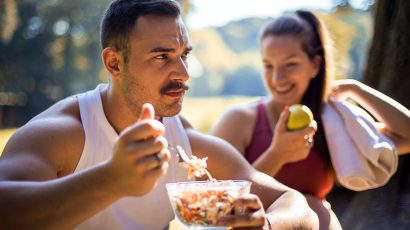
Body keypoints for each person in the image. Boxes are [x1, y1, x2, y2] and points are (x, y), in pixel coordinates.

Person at [0, 1, 320, 229]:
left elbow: (295, 204)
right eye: (162, 56)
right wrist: (112, 179)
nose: (182, 72)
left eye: (183, 55)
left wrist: (265, 225)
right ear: (114, 63)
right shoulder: (62, 133)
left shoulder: (184, 142)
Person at [211, 10, 410, 229]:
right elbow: (214, 200)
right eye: (268, 65)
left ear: (315, 65)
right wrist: (277, 155)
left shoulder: (333, 122)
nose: (277, 78)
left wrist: (356, 88)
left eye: (290, 64)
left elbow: (406, 136)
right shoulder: (241, 119)